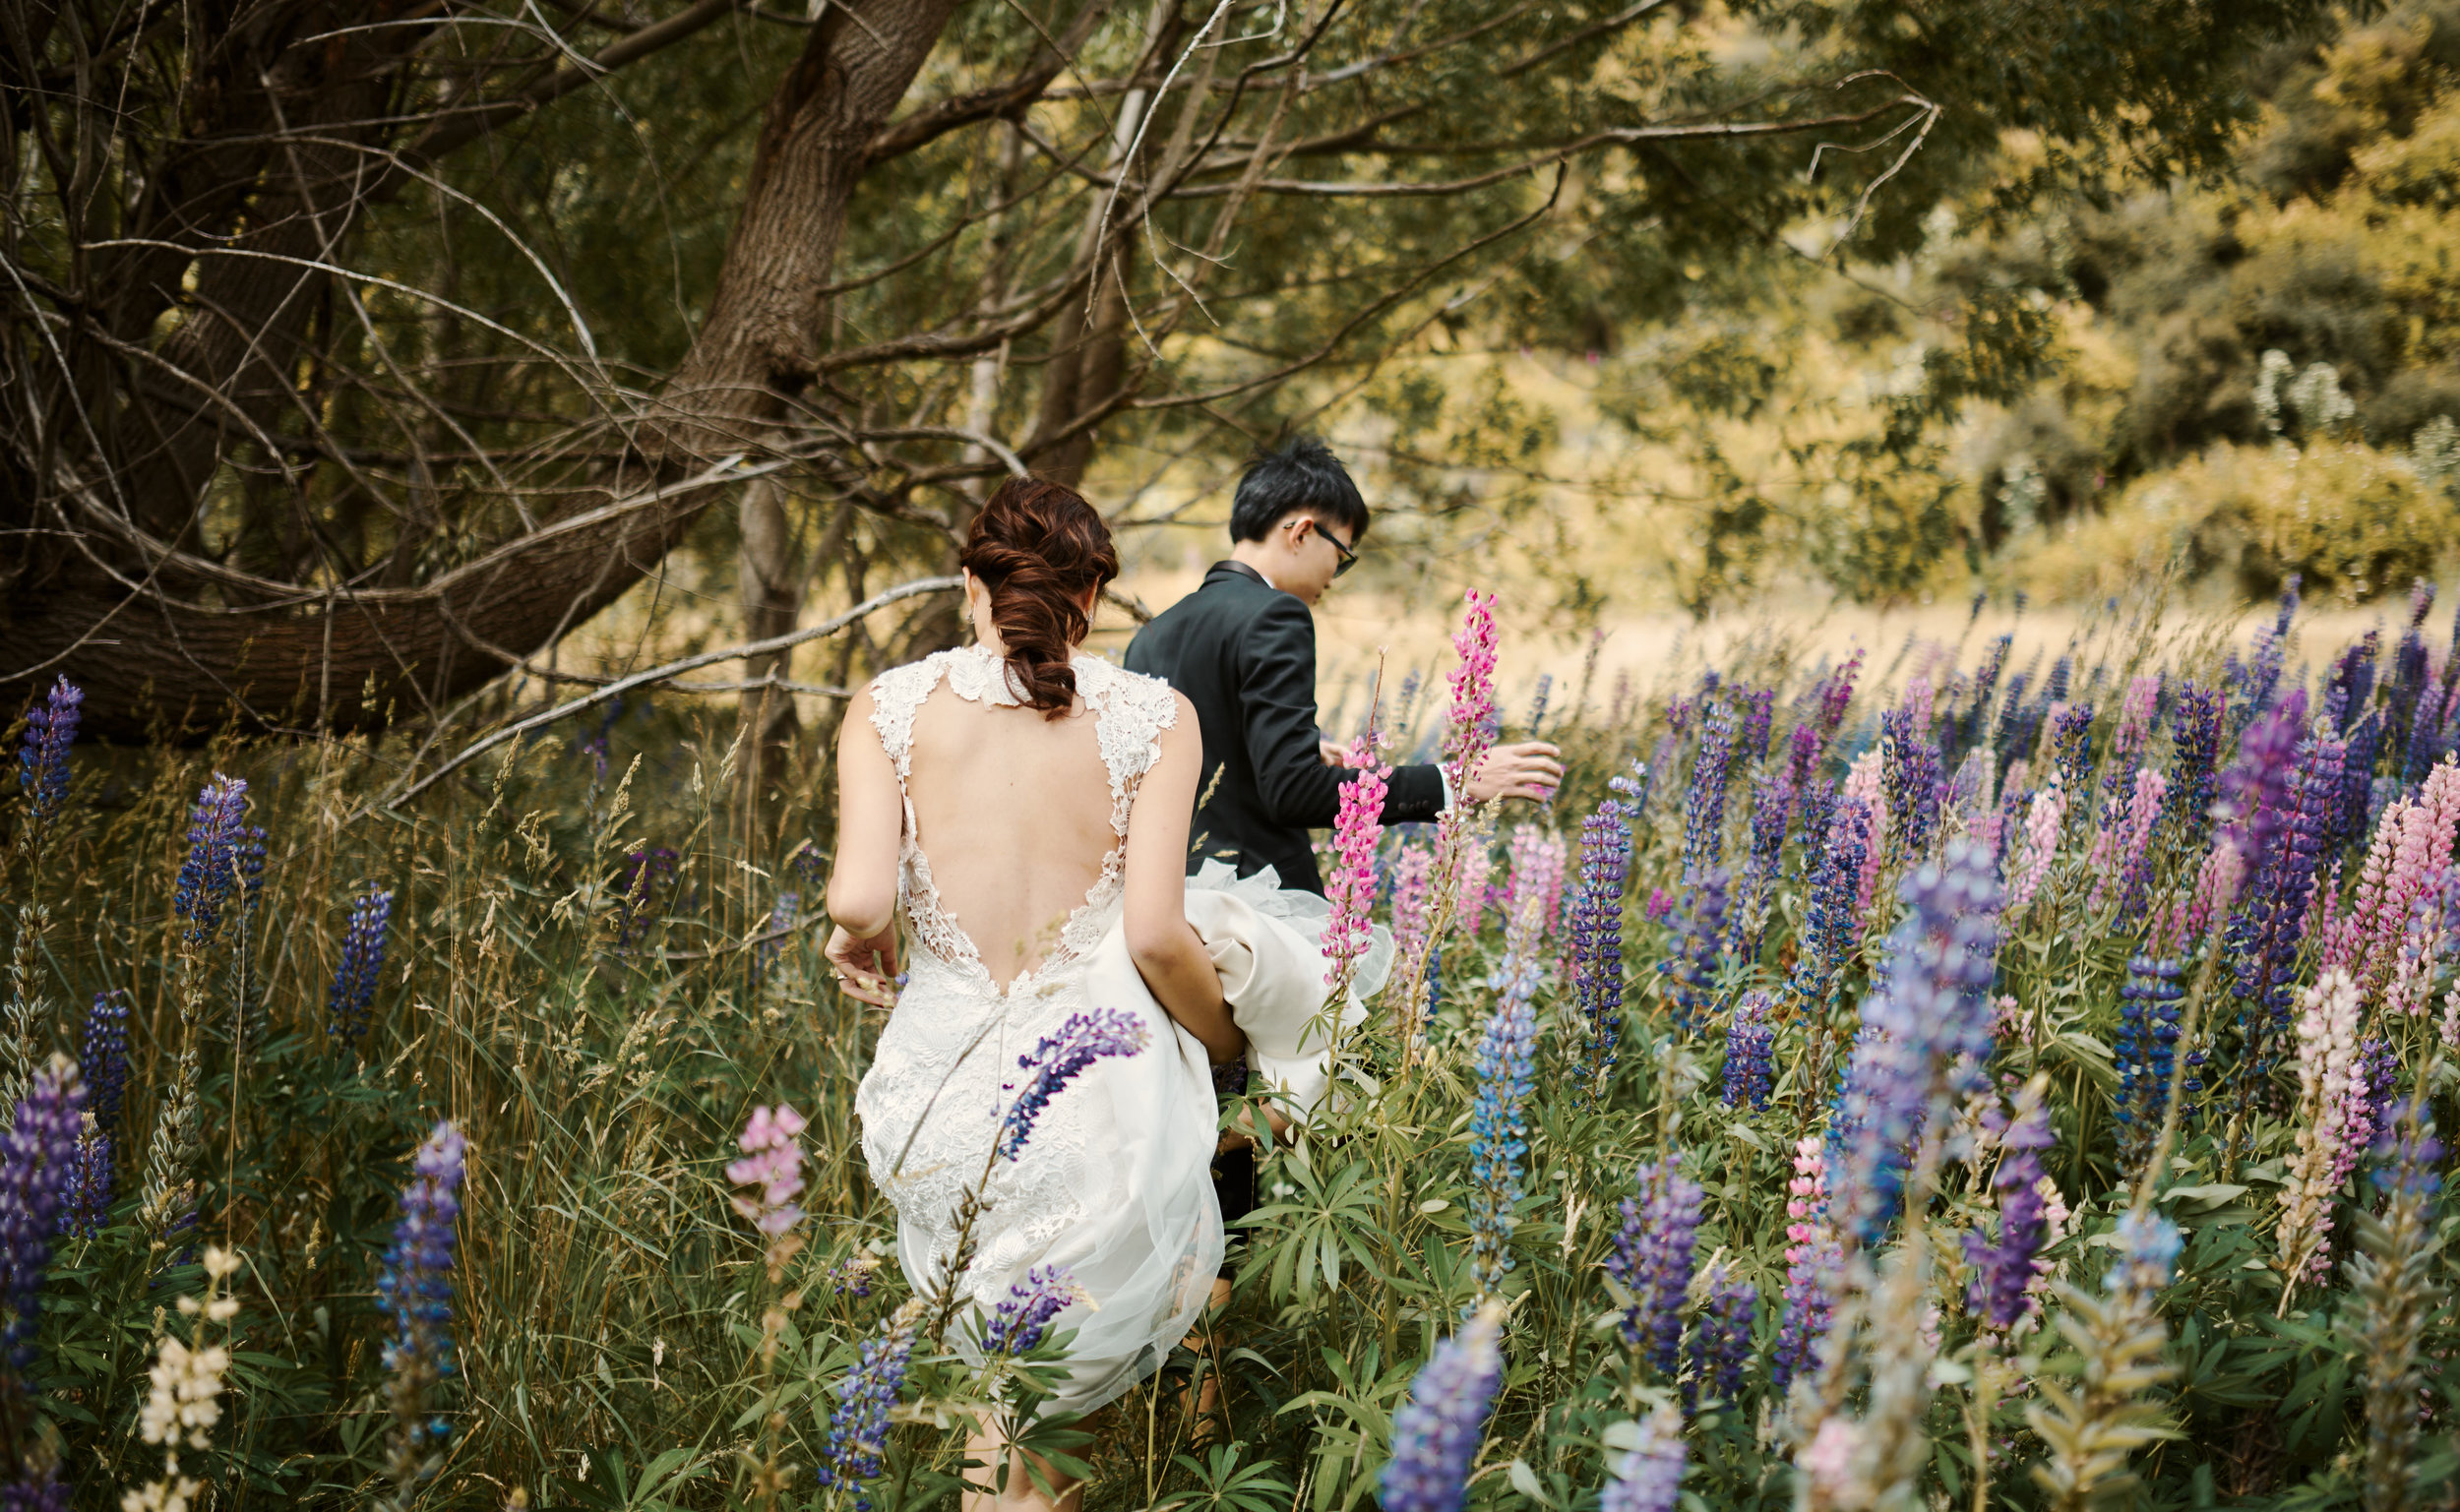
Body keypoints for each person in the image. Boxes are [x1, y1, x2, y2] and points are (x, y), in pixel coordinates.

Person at [827, 477, 1370, 1512]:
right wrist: (1220, 1050)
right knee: (1052, 1413)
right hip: (1091, 1099)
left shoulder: (888, 706)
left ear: (970, 584)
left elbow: (857, 897)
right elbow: (1157, 934)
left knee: (1001, 1398)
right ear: (1092, 595)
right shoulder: (1149, 717)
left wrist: (863, 935)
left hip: (939, 1095)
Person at [1124, 436, 1564, 895]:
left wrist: (1286, 750)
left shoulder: (1151, 636)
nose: (1334, 578)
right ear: (1302, 533)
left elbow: (1198, 758)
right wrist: (1453, 781)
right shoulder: (1276, 614)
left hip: (1164, 897)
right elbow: (1292, 792)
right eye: (1342, 556)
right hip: (1253, 903)